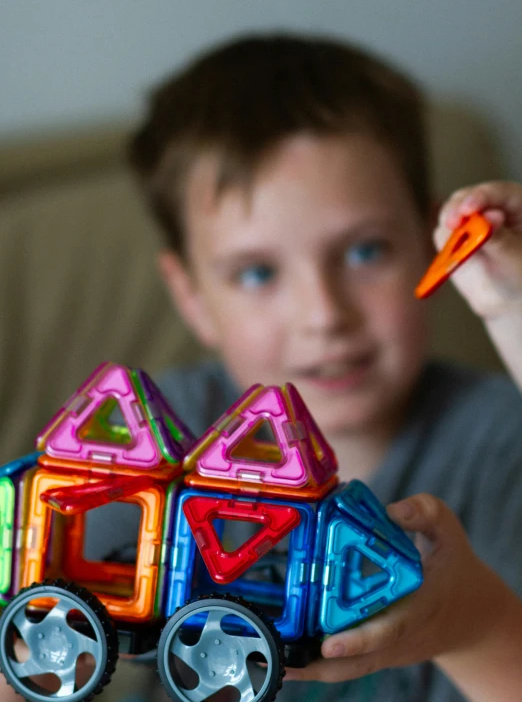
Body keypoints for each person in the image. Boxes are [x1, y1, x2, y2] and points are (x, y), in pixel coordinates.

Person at [1, 35, 521, 702]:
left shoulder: (498, 439)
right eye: (257, 272)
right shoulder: (159, 434)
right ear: (190, 294)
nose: (324, 313)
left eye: (365, 251)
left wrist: (471, 623)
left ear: (432, 245)